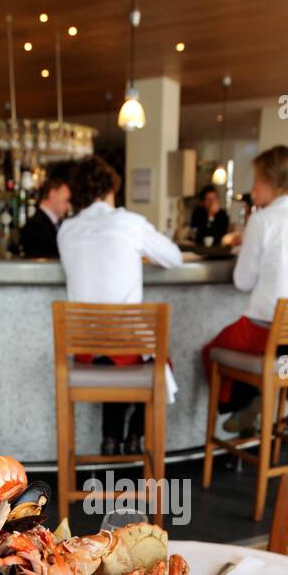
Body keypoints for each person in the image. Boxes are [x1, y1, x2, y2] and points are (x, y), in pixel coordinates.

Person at [57, 154, 182, 455]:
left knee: (117, 351)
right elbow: (174, 258)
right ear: (111, 190)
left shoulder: (65, 231)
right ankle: (134, 436)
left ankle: (110, 439)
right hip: (123, 349)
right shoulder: (130, 223)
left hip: (85, 350)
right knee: (155, 360)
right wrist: (138, 253)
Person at [202, 145, 288, 434]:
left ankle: (246, 402)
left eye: (256, 180)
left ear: (271, 181)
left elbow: (242, 281)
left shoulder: (262, 219)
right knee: (259, 353)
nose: (253, 187)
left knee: (211, 351)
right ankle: (255, 399)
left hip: (263, 330)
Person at [20, 167, 71, 258]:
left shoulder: (57, 224)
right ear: (52, 194)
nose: (68, 205)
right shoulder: (35, 227)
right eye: (66, 200)